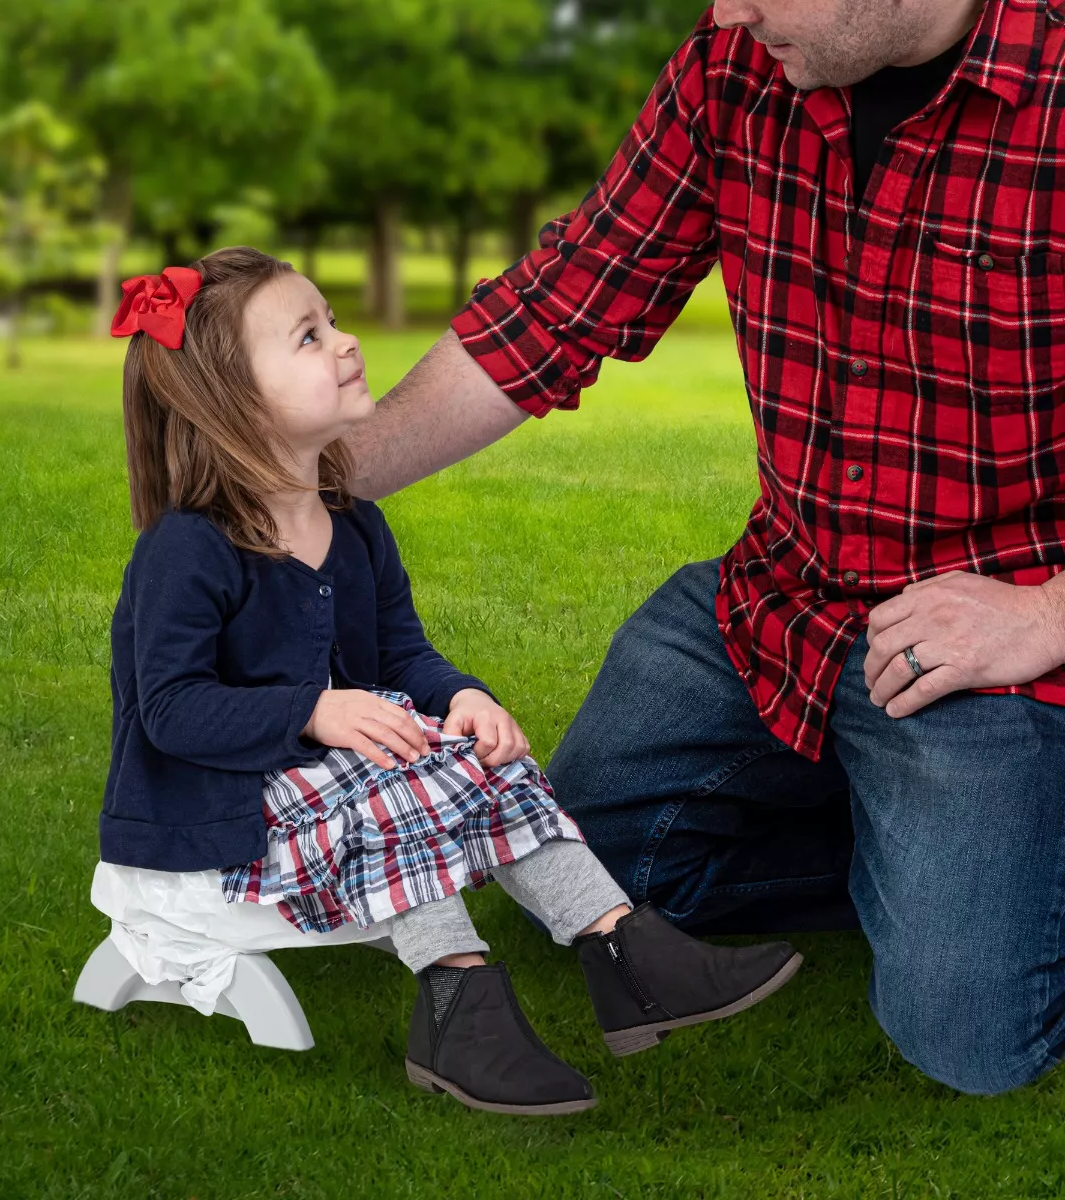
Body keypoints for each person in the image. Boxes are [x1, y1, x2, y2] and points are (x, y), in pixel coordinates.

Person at [339, 0, 1065, 1097]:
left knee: (967, 1036)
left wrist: (1044, 617)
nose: (723, 8)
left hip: (989, 642)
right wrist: (309, 481)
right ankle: (909, 847)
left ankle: (984, 868)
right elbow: (555, 310)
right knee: (568, 867)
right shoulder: (730, 73)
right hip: (781, 595)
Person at [97, 246, 803, 1116]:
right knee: (395, 781)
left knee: (481, 756)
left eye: (333, 320)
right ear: (231, 401)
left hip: (327, 775)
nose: (347, 341)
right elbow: (169, 713)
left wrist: (462, 697)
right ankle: (457, 1002)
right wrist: (314, 710)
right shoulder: (190, 548)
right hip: (218, 813)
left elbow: (403, 661)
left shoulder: (352, 526)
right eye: (309, 337)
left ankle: (625, 952)